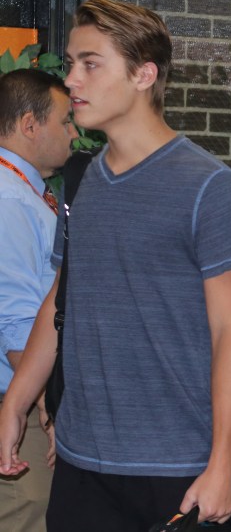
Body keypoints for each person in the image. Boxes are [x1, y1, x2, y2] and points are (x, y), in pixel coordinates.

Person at [0, 0, 231, 531]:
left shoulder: (209, 186)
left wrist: (224, 463)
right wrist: (16, 403)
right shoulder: (81, 180)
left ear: (144, 74)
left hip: (177, 465)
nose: (72, 79)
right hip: (81, 466)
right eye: (72, 63)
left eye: (90, 64)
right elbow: (61, 299)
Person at [0, 69, 77, 531]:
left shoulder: (26, 192)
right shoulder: (8, 198)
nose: (74, 134)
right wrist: (46, 405)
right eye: (66, 121)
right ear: (30, 125)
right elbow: (15, 318)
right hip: (21, 403)